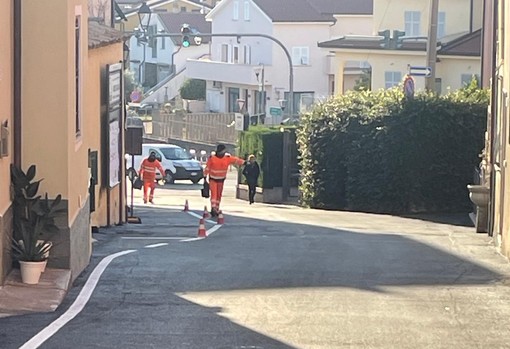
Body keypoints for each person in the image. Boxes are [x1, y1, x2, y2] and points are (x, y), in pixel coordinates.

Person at [204, 144, 245, 217]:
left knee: (218, 195)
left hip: (220, 180)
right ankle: (213, 208)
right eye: (223, 150)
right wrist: (204, 176)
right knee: (214, 194)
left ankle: (216, 208)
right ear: (219, 151)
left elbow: (236, 160)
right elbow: (207, 168)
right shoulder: (212, 158)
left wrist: (244, 162)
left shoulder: (227, 158)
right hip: (213, 179)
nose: (224, 152)